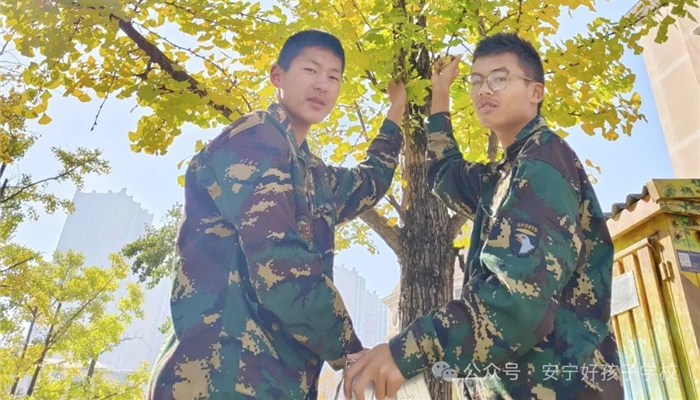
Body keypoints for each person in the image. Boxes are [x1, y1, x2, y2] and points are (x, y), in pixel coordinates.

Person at [344, 32, 622, 400]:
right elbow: (445, 173)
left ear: (535, 92)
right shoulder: (507, 173)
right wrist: (440, 94)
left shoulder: (542, 166)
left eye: (499, 78)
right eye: (475, 81)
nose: (483, 90)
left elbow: (514, 300)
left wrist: (404, 352)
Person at [149, 28, 405, 400]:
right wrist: (353, 353)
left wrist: (396, 110)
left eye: (333, 77)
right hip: (219, 378)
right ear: (277, 76)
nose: (322, 85)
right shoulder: (254, 139)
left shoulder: (311, 173)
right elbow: (281, 267)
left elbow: (370, 182)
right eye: (310, 70)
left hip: (278, 382)